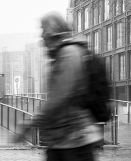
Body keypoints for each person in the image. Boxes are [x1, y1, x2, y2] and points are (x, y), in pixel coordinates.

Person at [19, 12, 102, 161]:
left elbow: (60, 96)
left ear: (52, 32)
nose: (42, 36)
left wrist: (31, 123)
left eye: (44, 30)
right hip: (62, 140)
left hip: (74, 140)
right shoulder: (60, 56)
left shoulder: (69, 54)